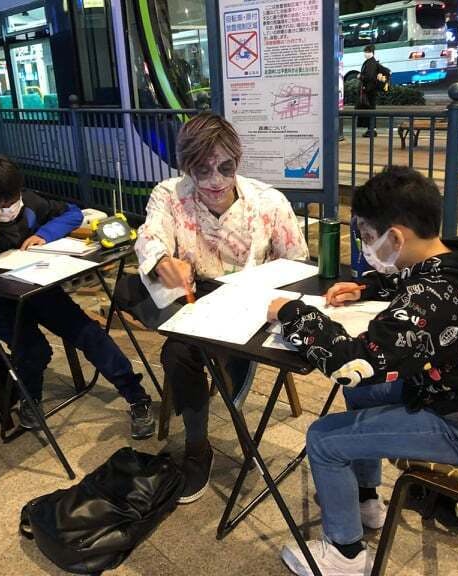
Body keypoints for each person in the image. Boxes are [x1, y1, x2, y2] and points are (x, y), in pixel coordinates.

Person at [266, 166, 458, 575]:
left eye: (366, 236)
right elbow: (414, 282)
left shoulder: (432, 295)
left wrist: (292, 313)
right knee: (364, 395)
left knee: (324, 439)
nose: (365, 247)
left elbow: (352, 364)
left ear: (395, 237)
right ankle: (365, 500)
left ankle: (344, 554)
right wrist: (367, 288)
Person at [131, 112, 309, 503]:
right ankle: (198, 447)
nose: (215, 181)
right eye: (202, 170)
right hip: (197, 303)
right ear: (185, 167)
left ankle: (226, 392)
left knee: (215, 356)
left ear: (238, 161)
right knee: (177, 353)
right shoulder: (170, 195)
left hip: (256, 307)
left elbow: (298, 265)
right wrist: (162, 262)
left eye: (225, 168)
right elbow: (150, 235)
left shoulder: (268, 202)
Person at [0, 154, 155, 438]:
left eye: (13, 200)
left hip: (38, 289)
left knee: (89, 334)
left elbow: (72, 213)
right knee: (34, 349)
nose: (9, 208)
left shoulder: (28, 204)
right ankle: (30, 398)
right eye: (0, 204)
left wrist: (44, 235)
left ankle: (136, 396)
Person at [356, 44, 384, 138]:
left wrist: (360, 76)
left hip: (369, 90)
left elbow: (370, 77)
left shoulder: (371, 63)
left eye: (367, 52)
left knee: (370, 110)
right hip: (370, 90)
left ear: (372, 53)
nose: (366, 53)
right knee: (370, 110)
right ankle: (371, 129)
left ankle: (371, 130)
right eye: (365, 52)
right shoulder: (370, 62)